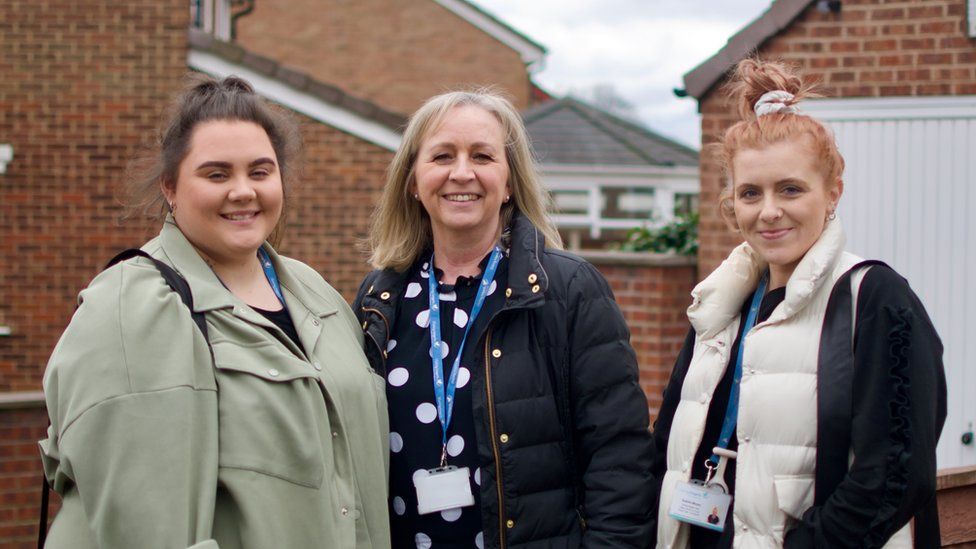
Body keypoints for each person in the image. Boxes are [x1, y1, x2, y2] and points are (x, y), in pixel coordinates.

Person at [38, 75, 390, 549]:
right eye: (217, 174)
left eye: (260, 171)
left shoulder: (312, 290)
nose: (243, 191)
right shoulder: (133, 306)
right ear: (170, 187)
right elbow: (144, 527)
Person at [651, 58, 947, 549]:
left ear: (833, 194)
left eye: (790, 188)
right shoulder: (719, 306)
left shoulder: (875, 300)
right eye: (750, 193)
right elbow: (669, 446)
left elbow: (894, 475)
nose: (769, 211)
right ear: (732, 204)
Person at [353, 89, 655, 548]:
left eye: (482, 156)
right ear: (413, 180)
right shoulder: (380, 297)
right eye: (441, 156)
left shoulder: (568, 291)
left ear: (510, 180)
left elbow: (619, 458)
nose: (461, 173)